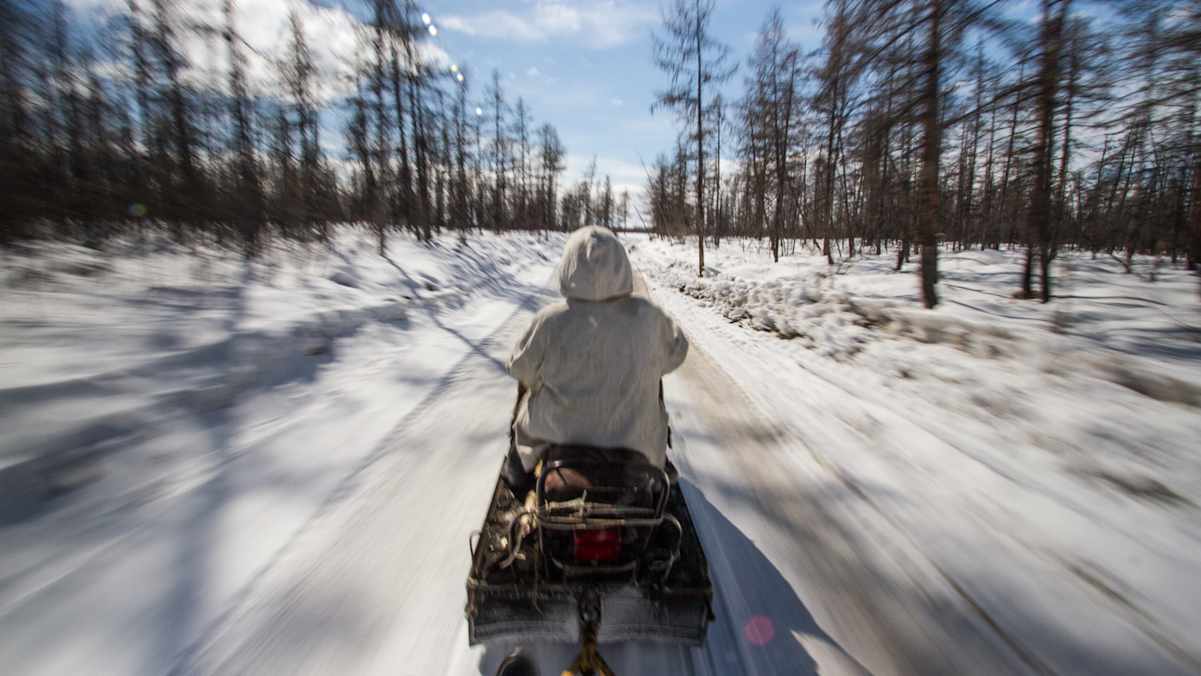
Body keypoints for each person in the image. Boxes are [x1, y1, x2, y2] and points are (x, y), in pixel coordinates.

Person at [501, 226, 689, 492]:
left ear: (568, 266)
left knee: (518, 458)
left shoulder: (549, 320)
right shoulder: (649, 316)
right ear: (622, 265)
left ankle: (519, 483)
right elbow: (677, 353)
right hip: (637, 444)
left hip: (556, 439)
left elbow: (519, 368)